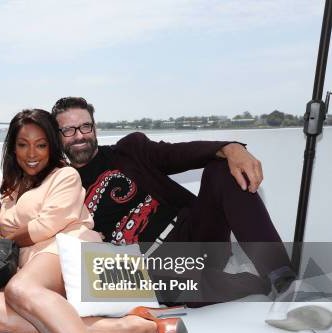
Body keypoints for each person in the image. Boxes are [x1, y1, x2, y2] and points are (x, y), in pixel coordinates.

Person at [0, 109, 186, 333]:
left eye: (41, 144)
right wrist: (23, 232)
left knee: (19, 290)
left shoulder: (65, 175)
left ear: (52, 146)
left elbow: (44, 228)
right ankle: (125, 326)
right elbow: (26, 230)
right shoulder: (10, 191)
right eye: (23, 144)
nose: (32, 153)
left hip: (71, 251)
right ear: (12, 148)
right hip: (38, 265)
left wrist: (17, 234)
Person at [50, 96, 297, 304]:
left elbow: (179, 154)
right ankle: (251, 284)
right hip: (150, 268)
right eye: (69, 130)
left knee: (222, 169)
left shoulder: (129, 150)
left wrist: (231, 148)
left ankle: (284, 281)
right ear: (57, 136)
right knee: (142, 279)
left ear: (95, 128)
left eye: (85, 127)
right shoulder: (60, 187)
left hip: (194, 237)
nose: (80, 135)